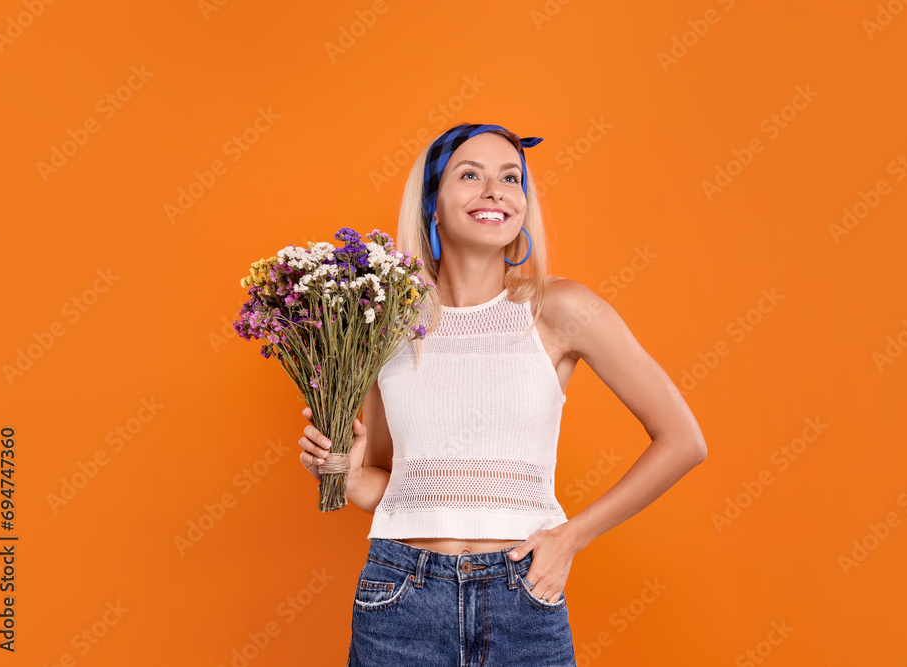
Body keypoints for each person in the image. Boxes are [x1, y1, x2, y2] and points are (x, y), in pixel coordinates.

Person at [297, 123, 708, 666]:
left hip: (521, 596)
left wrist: (570, 538)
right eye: (470, 175)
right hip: (399, 596)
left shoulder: (558, 308)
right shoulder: (386, 324)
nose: (495, 191)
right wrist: (344, 472)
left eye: (511, 178)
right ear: (432, 204)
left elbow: (683, 441)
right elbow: (389, 482)